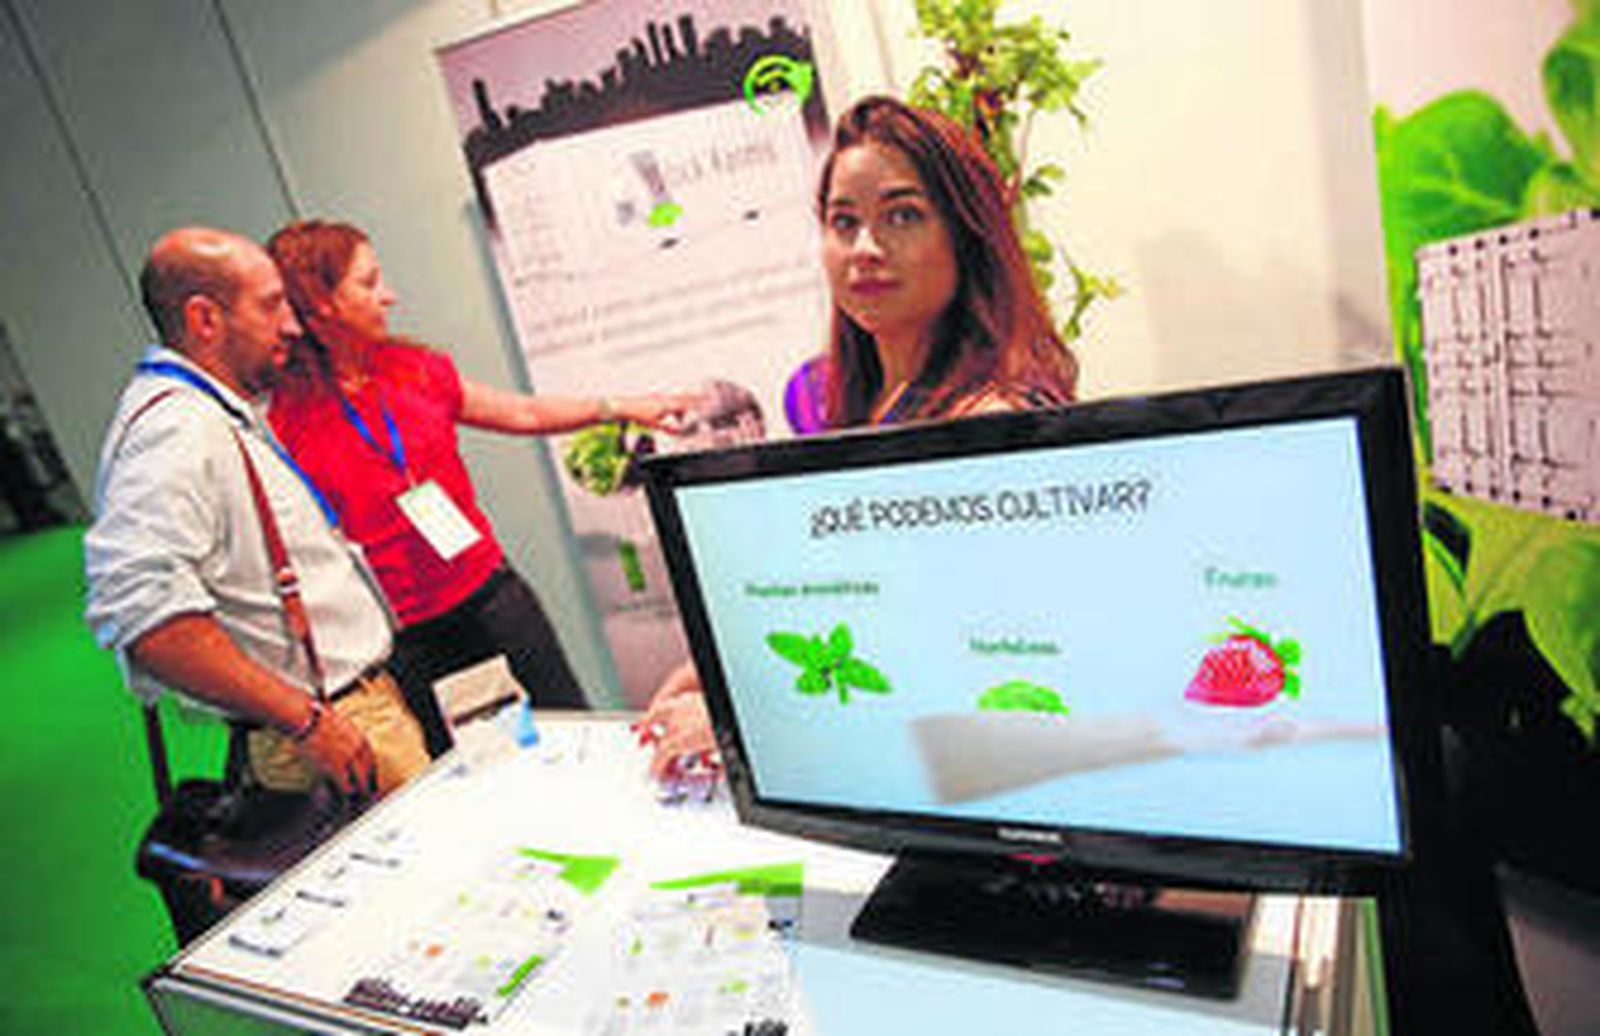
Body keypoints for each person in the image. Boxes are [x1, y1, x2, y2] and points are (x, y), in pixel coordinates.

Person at [640, 94, 1082, 775]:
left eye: (903, 216)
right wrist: (729, 667)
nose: (865, 249)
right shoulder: (874, 405)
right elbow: (875, 614)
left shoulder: (988, 422)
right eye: (844, 222)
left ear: (966, 235)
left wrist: (749, 717)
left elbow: (978, 669)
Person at [266, 220, 693, 757]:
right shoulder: (285, 418)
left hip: (492, 599)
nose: (389, 295)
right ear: (322, 303)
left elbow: (522, 412)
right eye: (369, 283)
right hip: (408, 639)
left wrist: (622, 406)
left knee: (572, 738)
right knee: (473, 770)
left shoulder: (414, 369)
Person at [85, 227, 429, 800]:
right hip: (327, 728)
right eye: (270, 306)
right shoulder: (177, 430)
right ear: (204, 319)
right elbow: (147, 618)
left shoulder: (216, 413)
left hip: (345, 714)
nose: (291, 326)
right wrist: (306, 720)